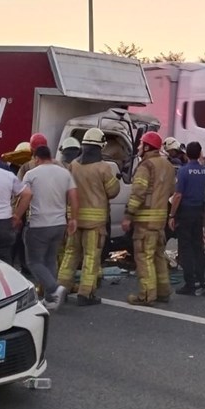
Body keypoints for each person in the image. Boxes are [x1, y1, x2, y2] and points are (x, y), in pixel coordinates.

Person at [56, 127, 120, 306]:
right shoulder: (103, 168)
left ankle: (62, 288)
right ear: (100, 147)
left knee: (70, 254)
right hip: (95, 223)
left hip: (75, 220)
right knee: (91, 256)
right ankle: (86, 293)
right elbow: (113, 191)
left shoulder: (73, 165)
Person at [14, 145, 78, 311]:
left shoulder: (31, 174)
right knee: (50, 259)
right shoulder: (64, 173)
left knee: (34, 261)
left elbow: (25, 197)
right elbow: (73, 196)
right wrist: (73, 219)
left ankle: (55, 289)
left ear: (36, 158)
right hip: (59, 224)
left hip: (38, 224)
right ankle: (51, 299)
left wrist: (17, 215)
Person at [120, 131, 176, 306]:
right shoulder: (167, 165)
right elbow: (172, 191)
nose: (138, 147)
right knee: (158, 257)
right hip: (160, 222)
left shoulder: (146, 166)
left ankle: (146, 295)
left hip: (145, 222)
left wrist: (128, 215)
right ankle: (163, 292)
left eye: (141, 144)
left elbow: (138, 193)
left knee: (144, 258)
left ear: (147, 147)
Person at [170, 141, 205, 295]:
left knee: (185, 247)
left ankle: (190, 283)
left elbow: (178, 195)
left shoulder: (183, 171)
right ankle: (201, 279)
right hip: (199, 210)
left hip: (185, 211)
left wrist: (172, 214)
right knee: (198, 246)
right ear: (200, 153)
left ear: (186, 153)